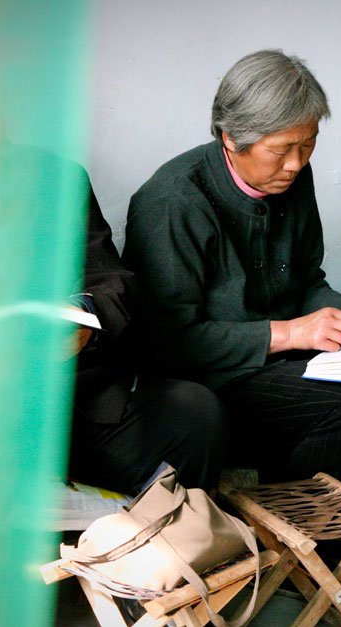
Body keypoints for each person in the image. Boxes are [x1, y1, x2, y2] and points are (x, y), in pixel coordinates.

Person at [121, 51, 341, 599]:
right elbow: (169, 341)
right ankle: (306, 552)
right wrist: (290, 334)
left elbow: (306, 279)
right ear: (230, 137)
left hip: (276, 351)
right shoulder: (172, 201)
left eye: (308, 144)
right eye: (281, 149)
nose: (296, 163)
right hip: (207, 374)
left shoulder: (292, 178)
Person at [65, 168, 228, 494]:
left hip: (66, 394)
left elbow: (107, 278)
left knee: (193, 414)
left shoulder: (55, 178)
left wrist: (86, 315)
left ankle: (170, 526)